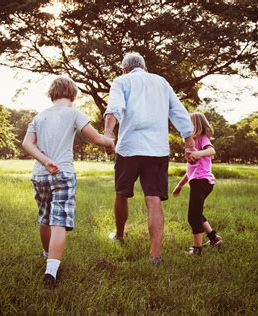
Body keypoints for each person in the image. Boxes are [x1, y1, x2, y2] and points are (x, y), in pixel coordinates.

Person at [104, 52, 194, 265]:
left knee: (121, 193)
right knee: (153, 200)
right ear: (143, 67)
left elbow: (114, 108)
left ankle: (119, 235)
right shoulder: (161, 82)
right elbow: (179, 112)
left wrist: (108, 134)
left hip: (129, 148)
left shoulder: (121, 81)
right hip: (157, 149)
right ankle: (155, 255)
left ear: (125, 69)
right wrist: (189, 142)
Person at [22, 76, 114, 286]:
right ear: (72, 94)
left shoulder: (40, 116)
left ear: (52, 94)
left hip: (40, 174)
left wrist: (45, 161)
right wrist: (110, 142)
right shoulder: (73, 113)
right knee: (59, 221)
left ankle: (47, 253)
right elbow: (97, 138)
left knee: (45, 217)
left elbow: (27, 143)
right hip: (63, 173)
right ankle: (51, 271)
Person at [172, 113, 222, 255]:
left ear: (194, 125)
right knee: (197, 213)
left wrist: (198, 153)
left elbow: (212, 150)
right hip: (199, 181)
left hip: (202, 182)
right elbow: (190, 172)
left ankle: (197, 250)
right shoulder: (192, 143)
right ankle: (214, 238)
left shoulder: (202, 139)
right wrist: (180, 185)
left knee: (193, 216)